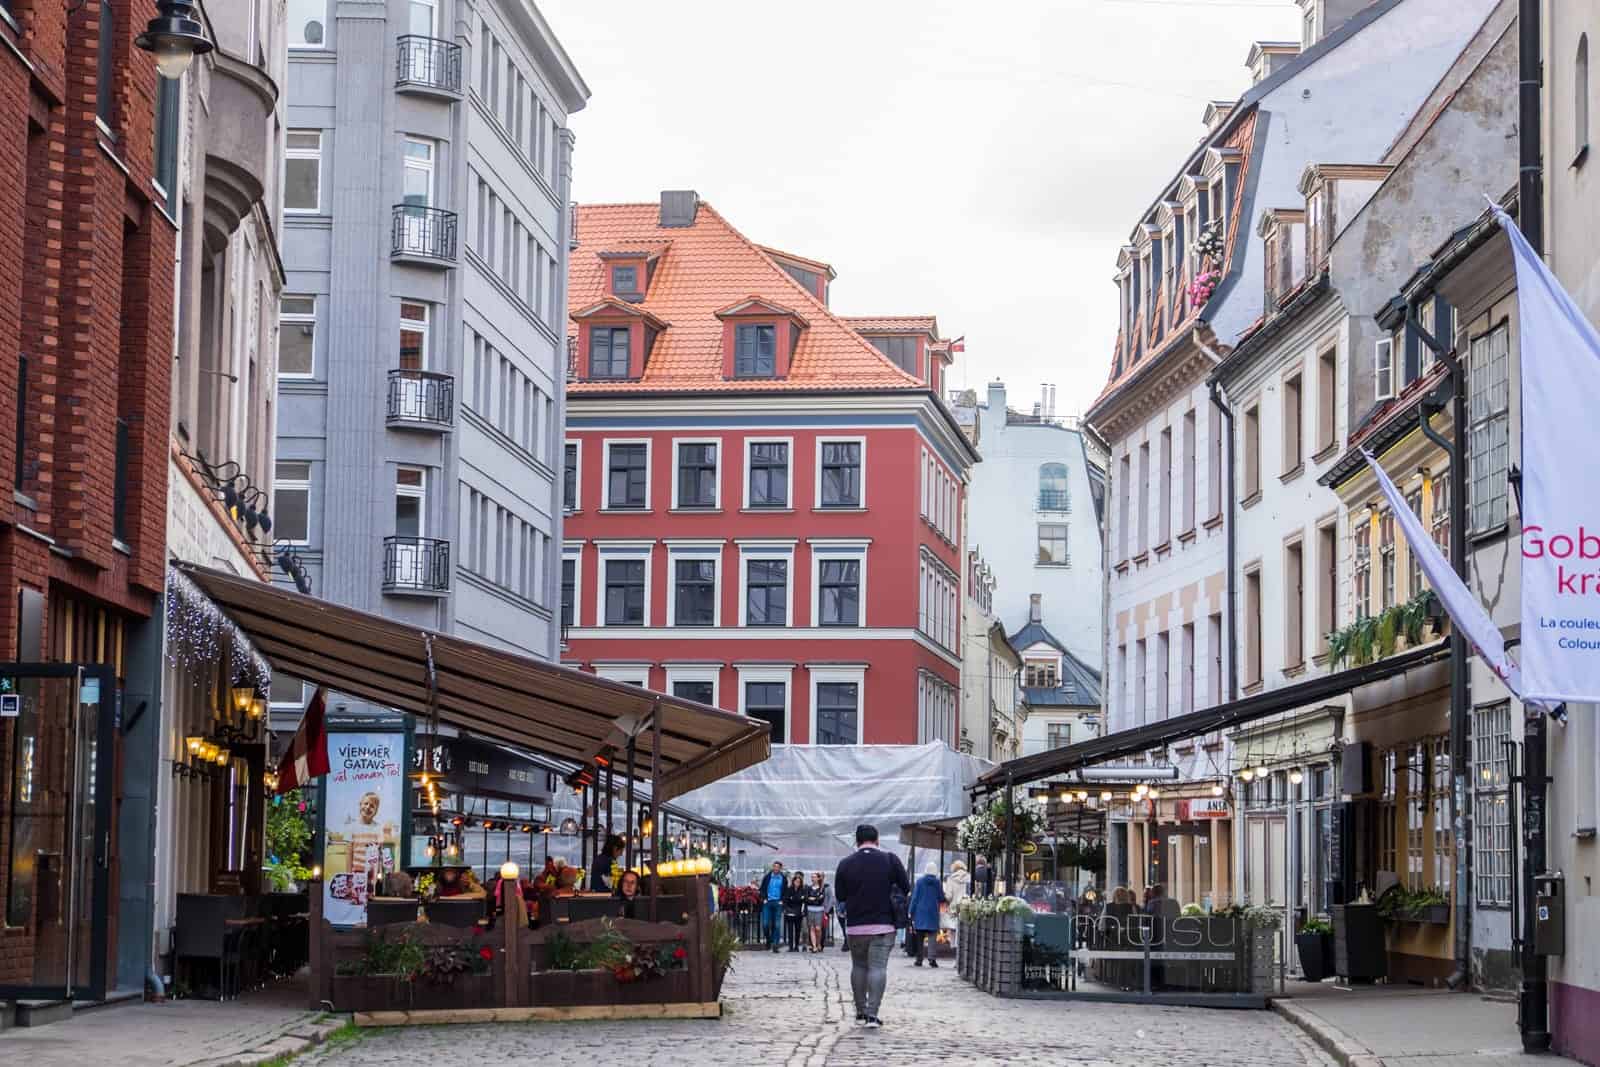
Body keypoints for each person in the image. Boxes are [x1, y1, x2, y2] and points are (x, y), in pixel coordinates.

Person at [834, 824, 910, 1029]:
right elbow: (906, 886)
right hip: (883, 925)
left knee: (858, 966)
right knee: (877, 968)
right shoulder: (890, 860)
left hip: (855, 927)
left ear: (857, 841)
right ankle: (872, 1015)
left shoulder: (845, 863)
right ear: (877, 840)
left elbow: (840, 896)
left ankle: (860, 1011)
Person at [909, 861, 946, 967]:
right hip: (933, 912)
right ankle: (932, 959)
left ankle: (919, 959)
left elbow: (915, 898)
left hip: (920, 912)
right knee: (932, 937)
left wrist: (911, 911)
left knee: (919, 937)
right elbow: (941, 897)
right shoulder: (937, 882)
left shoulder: (919, 882)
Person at [758, 861, 786, 953]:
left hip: (778, 903)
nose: (776, 868)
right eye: (774, 866)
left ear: (780, 868)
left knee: (777, 925)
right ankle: (769, 939)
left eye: (777, 867)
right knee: (765, 924)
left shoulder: (783, 878)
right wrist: (764, 899)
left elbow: (785, 891)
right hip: (768, 902)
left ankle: (775, 945)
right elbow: (762, 889)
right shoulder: (767, 877)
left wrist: (782, 901)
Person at [942, 860, 970, 949]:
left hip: (954, 907)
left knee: (952, 928)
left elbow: (949, 896)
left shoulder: (951, 879)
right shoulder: (969, 878)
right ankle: (963, 947)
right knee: (964, 928)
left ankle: (953, 947)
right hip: (966, 906)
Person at [783, 871, 807, 952]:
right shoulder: (789, 889)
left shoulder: (803, 890)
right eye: (796, 881)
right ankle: (790, 946)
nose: (797, 883)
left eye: (799, 882)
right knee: (790, 930)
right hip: (789, 912)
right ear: (793, 881)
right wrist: (796, 899)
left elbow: (803, 899)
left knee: (797, 930)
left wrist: (793, 898)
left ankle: (796, 946)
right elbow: (786, 900)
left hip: (798, 913)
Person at [805, 872, 828, 952]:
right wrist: (814, 899)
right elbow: (806, 899)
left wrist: (813, 899)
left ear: (818, 878)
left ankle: (818, 943)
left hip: (819, 910)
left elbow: (820, 899)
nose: (813, 879)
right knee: (811, 928)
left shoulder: (822, 888)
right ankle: (814, 946)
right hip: (810, 909)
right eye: (812, 877)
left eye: (814, 877)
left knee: (818, 928)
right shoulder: (808, 888)